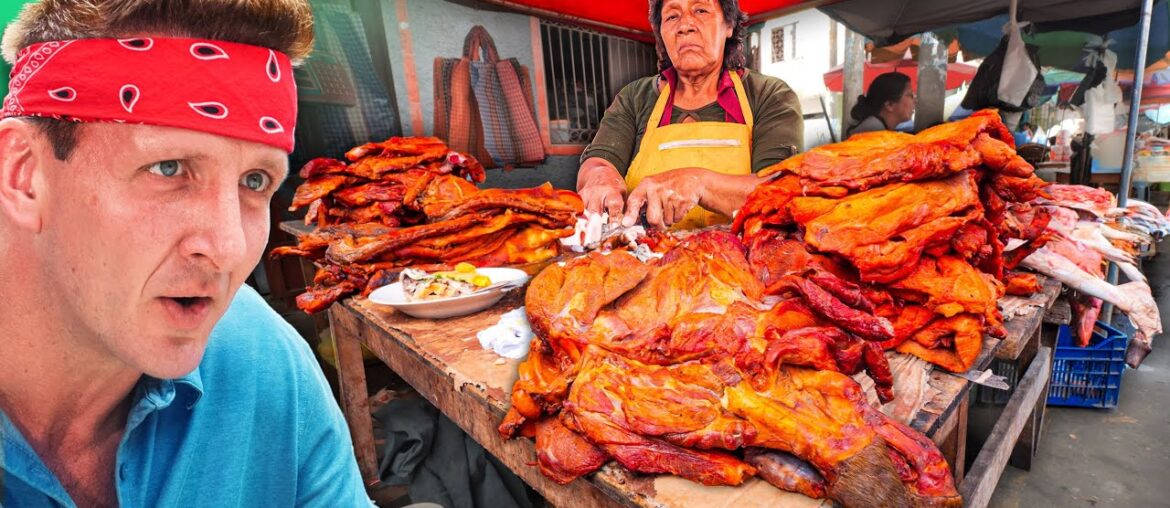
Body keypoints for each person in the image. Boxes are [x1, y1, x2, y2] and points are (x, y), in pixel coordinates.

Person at [0, 1, 371, 506]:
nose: (229, 248)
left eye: (254, 181)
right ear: (24, 174)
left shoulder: (263, 359)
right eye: (169, 168)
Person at [577, 0, 802, 230]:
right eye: (672, 16)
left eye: (700, 10)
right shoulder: (634, 98)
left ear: (729, 25)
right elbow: (598, 161)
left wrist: (699, 183)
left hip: (741, 259)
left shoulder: (768, 95)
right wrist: (600, 177)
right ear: (661, 33)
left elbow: (780, 192)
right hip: (646, 258)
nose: (685, 25)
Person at [845, 72, 915, 137]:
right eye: (910, 95)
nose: (915, 101)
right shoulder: (873, 129)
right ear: (890, 105)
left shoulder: (877, 126)